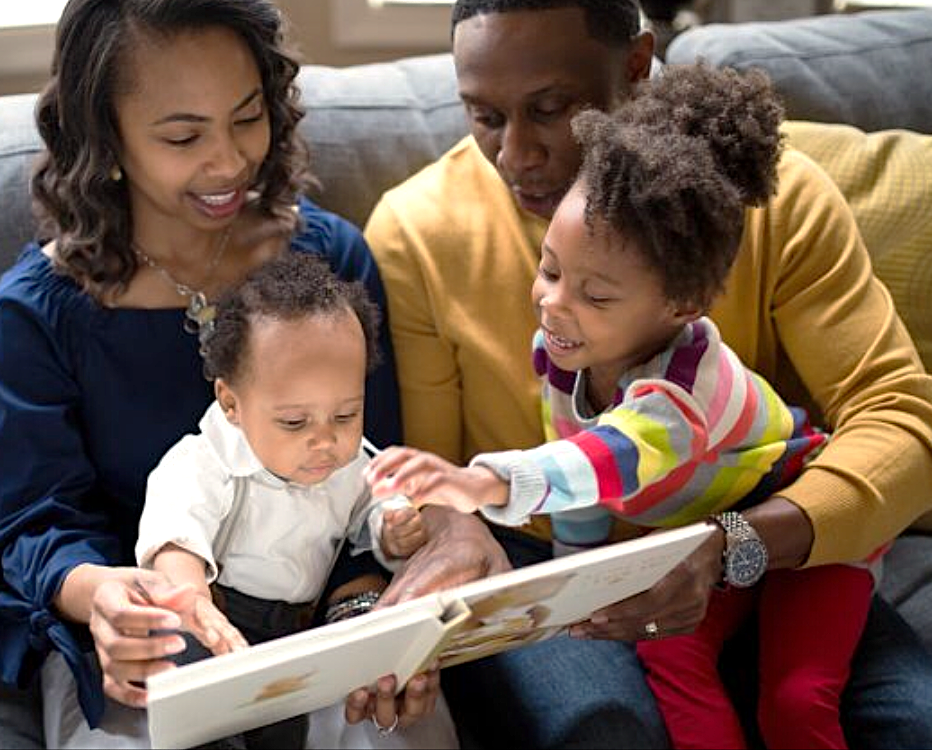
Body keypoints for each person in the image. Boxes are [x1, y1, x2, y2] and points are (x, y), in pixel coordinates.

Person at [364, 1, 932, 747]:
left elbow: (900, 419)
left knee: (910, 726)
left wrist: (735, 544)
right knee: (605, 731)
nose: (515, 155)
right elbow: (435, 468)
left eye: (550, 109)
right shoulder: (415, 231)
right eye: (485, 117)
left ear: (636, 64)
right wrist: (453, 525)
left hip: (763, 533)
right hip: (554, 552)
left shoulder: (777, 199)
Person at [0, 0, 438, 747]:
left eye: (247, 118)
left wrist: (365, 611)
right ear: (105, 134)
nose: (228, 163)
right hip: (141, 637)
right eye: (183, 136)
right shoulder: (40, 312)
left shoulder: (329, 265)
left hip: (321, 619)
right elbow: (26, 523)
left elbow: (368, 476)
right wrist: (104, 597)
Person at [136, 252, 446, 748]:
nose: (325, 441)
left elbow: (376, 504)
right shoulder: (204, 463)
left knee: (283, 729)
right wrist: (191, 597)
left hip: (298, 630)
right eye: (295, 422)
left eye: (346, 415)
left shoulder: (352, 462)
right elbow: (176, 534)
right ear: (232, 404)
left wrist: (392, 529)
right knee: (207, 717)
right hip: (219, 617)